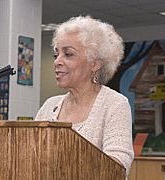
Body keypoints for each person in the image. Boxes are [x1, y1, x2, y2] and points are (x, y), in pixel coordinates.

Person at [35, 16, 134, 175]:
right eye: (57, 54)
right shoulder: (48, 107)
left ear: (94, 64)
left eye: (68, 54)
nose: (57, 61)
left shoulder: (115, 104)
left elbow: (117, 167)